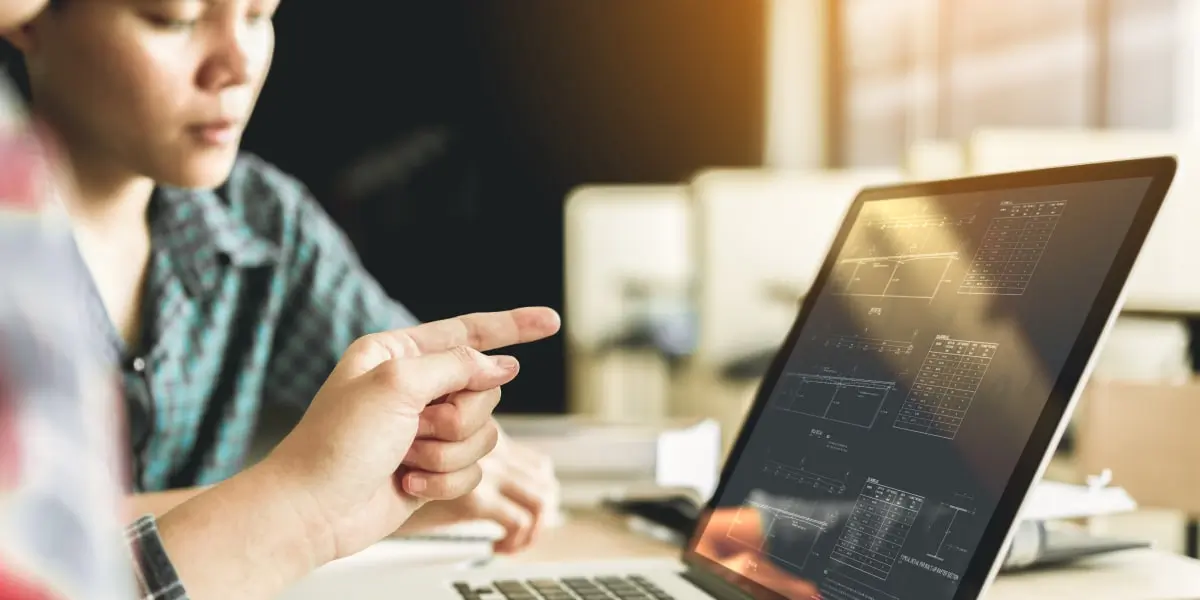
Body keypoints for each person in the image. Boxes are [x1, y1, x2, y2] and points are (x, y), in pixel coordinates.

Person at [0, 0, 557, 554]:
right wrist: (306, 500)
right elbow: (21, 540)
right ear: (27, 18)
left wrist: (442, 450)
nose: (237, 66)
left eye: (257, 15)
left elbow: (426, 417)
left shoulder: (257, 219)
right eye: (176, 20)